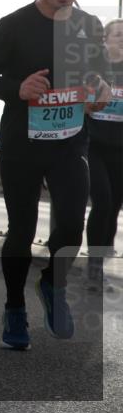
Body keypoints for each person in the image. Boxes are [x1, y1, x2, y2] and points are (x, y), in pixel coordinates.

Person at [0, 0, 110, 349]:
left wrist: (99, 90)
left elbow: (100, 74)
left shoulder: (89, 26)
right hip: (23, 144)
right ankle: (15, 307)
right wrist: (18, 88)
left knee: (71, 225)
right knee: (22, 229)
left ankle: (52, 282)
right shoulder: (13, 24)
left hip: (70, 142)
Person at [85, 18, 123, 285]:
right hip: (93, 146)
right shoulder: (93, 69)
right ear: (105, 40)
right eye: (118, 35)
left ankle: (103, 253)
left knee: (114, 207)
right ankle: (94, 267)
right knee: (103, 202)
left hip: (120, 149)